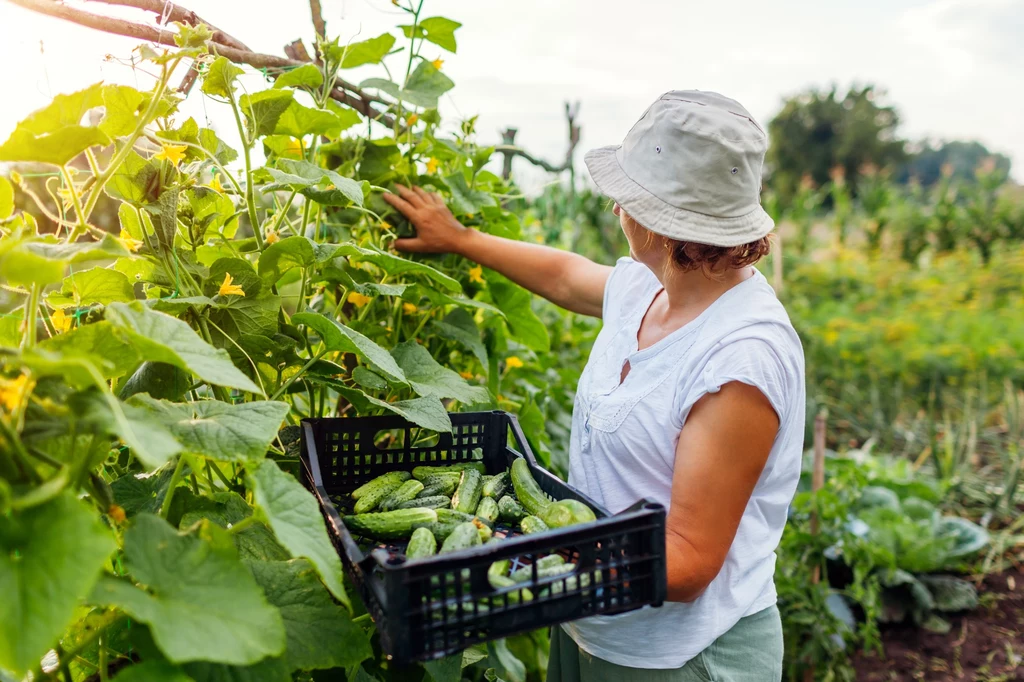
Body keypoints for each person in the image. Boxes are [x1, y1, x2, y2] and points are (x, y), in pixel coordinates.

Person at [383, 90, 805, 682]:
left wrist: (519, 552)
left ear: (663, 223)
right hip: (593, 620)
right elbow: (566, 276)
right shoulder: (653, 286)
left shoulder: (741, 357)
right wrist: (461, 239)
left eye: (627, 199)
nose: (616, 210)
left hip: (679, 655)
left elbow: (686, 562)